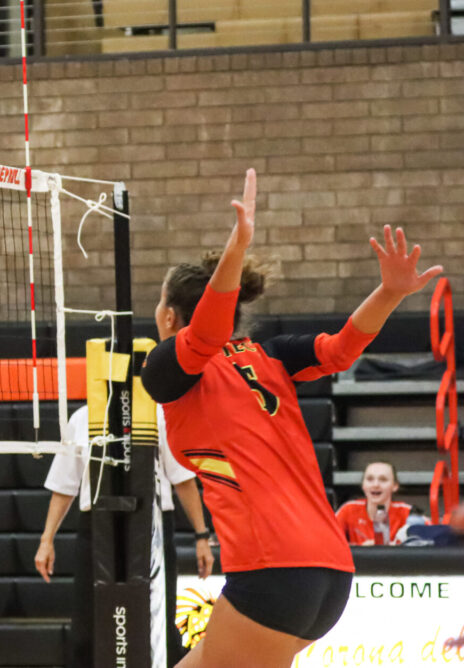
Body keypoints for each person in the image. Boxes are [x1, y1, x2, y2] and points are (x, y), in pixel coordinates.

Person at [142, 169, 442, 668]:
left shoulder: (169, 366)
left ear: (170, 317)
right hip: (328, 572)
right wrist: (388, 293)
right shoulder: (272, 356)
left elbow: (204, 337)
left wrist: (237, 251)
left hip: (273, 571)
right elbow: (343, 348)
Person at [34, 404, 214, 668]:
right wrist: (46, 540)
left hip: (151, 527)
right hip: (96, 527)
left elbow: (182, 479)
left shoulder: (157, 416)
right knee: (86, 630)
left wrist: (202, 536)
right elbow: (65, 485)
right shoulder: (82, 418)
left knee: (160, 628)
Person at [334, 461, 414, 546]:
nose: (375, 485)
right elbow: (330, 542)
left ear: (395, 486)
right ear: (363, 485)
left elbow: (427, 542)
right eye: (370, 479)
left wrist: (395, 549)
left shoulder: (408, 512)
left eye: (383, 479)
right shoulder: (348, 510)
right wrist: (361, 548)